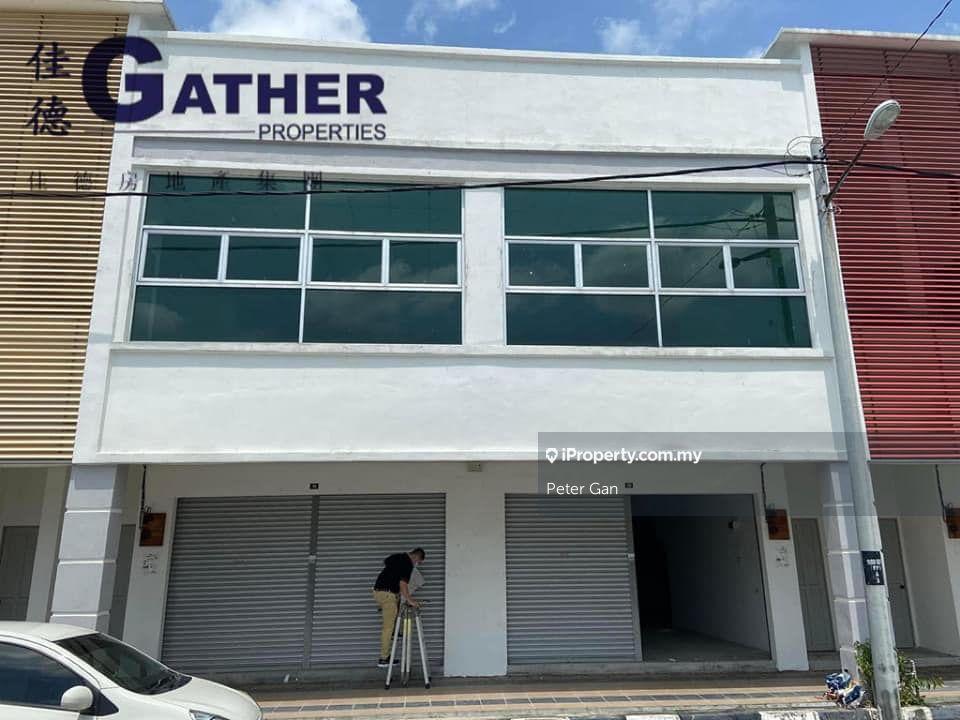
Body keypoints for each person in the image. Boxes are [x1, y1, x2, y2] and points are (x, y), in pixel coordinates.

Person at [372, 548, 425, 668]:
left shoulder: (397, 557)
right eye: (419, 562)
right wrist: (410, 600)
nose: (417, 564)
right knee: (388, 627)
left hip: (379, 592)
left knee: (396, 606)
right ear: (416, 557)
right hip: (387, 594)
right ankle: (383, 658)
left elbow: (387, 562)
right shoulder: (407, 564)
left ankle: (395, 632)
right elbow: (403, 585)